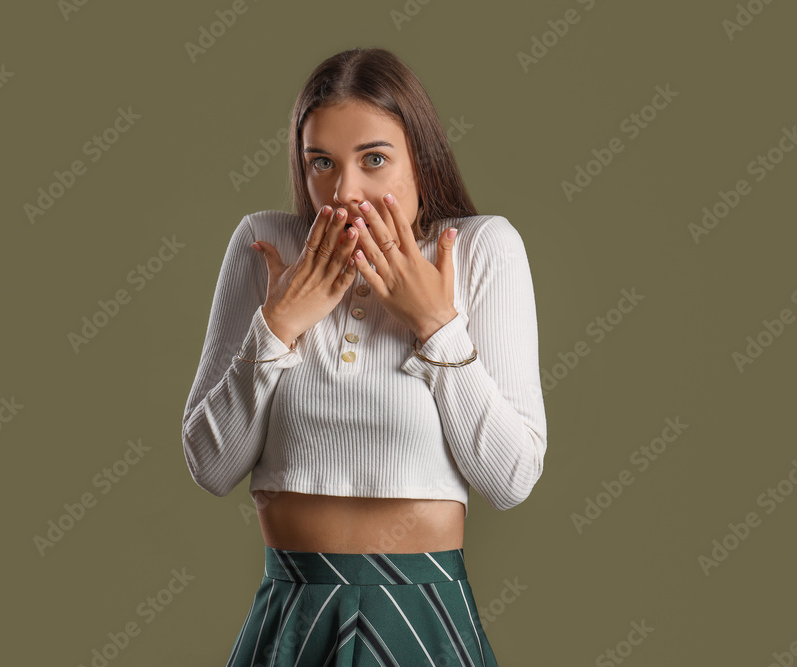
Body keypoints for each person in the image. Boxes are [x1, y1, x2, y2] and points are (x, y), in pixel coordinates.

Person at [182, 46, 547, 666]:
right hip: (292, 612)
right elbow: (211, 467)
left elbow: (510, 479)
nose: (344, 190)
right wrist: (279, 325)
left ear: (422, 161)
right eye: (320, 162)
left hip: (424, 613)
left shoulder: (482, 250)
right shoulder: (264, 243)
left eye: (373, 159)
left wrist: (435, 324)